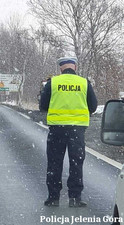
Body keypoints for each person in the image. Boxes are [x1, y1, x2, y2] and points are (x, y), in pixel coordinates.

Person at [40, 57, 97, 207]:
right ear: (75, 67)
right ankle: (75, 198)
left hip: (57, 129)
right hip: (77, 130)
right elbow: (93, 106)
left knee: (54, 163)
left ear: (61, 68)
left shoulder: (53, 83)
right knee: (76, 163)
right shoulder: (84, 83)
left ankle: (53, 198)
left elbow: (43, 105)